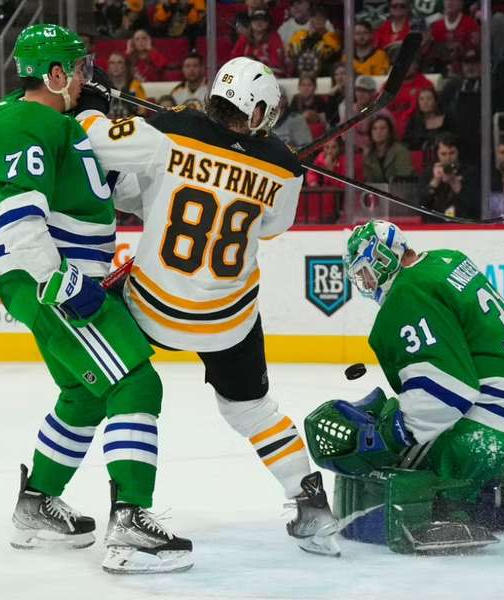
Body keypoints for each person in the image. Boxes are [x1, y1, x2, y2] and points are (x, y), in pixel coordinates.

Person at [76, 55, 341, 556]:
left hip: (151, 308)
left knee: (105, 382)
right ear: (259, 108)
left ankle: (65, 491)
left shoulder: (171, 130)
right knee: (253, 411)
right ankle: (310, 505)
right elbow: (270, 227)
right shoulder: (285, 167)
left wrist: (94, 104)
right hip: (227, 320)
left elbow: (101, 146)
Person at [0, 24, 191, 574]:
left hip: (62, 280)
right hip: (48, 281)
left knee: (86, 394)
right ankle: (132, 522)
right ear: (54, 74)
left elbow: (122, 196)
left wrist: (189, 150)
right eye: (79, 68)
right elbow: (22, 223)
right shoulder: (22, 120)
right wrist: (64, 283)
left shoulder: (66, 128)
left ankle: (37, 501)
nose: (88, 78)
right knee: (136, 380)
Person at [303, 220, 504, 552]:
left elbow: (448, 392)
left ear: (382, 260)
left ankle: (454, 508)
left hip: (493, 425)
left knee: (415, 455)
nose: (365, 283)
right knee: (410, 417)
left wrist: (391, 434)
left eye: (365, 271)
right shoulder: (446, 260)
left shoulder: (407, 294)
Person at [421, 132, 479, 221]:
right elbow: (421, 206)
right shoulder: (429, 173)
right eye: (443, 154)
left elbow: (474, 207)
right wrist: (435, 181)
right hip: (435, 226)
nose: (448, 158)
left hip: (463, 224)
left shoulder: (470, 172)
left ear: (458, 152)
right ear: (437, 154)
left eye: (452, 153)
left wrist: (454, 182)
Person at [426, 0, 479, 76]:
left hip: (463, 72)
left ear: (461, 3)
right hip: (440, 72)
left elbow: (472, 52)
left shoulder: (470, 24)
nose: (450, 2)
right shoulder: (436, 26)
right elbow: (433, 55)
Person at [403, 87, 453, 166]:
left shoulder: (447, 119)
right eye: (421, 99)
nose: (425, 102)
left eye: (429, 98)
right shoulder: (413, 122)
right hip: (421, 162)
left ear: (435, 101)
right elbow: (408, 143)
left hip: (445, 159)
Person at [286, 6, 341, 77]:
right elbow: (290, 53)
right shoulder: (299, 35)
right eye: (314, 17)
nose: (317, 21)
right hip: (300, 77)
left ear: (326, 21)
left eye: (321, 18)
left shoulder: (332, 38)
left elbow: (332, 55)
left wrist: (322, 33)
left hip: (324, 77)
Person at [230, 10, 285, 77]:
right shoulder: (244, 38)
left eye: (263, 20)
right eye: (255, 19)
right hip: (246, 76)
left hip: (268, 76)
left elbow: (277, 65)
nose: (259, 22)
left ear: (268, 23)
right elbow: (234, 60)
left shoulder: (274, 38)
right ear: (251, 22)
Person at [364, 115, 413, 182]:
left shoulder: (400, 151)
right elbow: (369, 182)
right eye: (374, 128)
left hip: (399, 190)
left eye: (383, 128)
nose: (378, 132)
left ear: (389, 132)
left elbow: (404, 180)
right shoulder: (369, 154)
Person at [105, 51, 146, 118]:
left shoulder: (135, 85)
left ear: (125, 66)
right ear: (108, 66)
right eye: (112, 63)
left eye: (119, 62)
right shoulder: (104, 86)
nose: (116, 66)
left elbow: (142, 112)